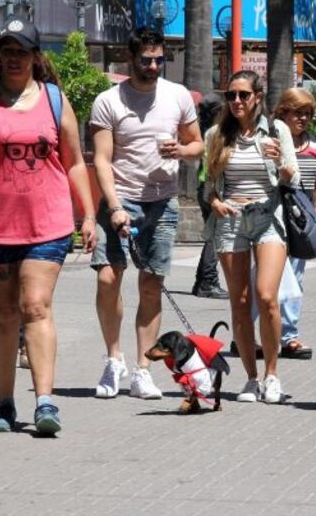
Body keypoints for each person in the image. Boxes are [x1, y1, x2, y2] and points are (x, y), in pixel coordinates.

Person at [0, 17, 97, 434]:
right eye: (8, 51)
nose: (14, 59)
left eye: (22, 51)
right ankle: (4, 402)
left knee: (36, 306)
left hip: (47, 224)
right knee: (3, 314)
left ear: (36, 57)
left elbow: (74, 162)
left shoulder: (54, 99)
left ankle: (45, 402)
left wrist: (88, 214)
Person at [90, 27, 203, 400]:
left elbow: (197, 144)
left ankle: (142, 369)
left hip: (162, 201)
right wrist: (115, 207)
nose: (153, 66)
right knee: (108, 278)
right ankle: (114, 359)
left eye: (158, 60)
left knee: (151, 286)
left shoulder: (177, 95)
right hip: (120, 198)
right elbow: (101, 159)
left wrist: (181, 151)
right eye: (146, 60)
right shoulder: (108, 101)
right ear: (130, 58)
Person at [202, 70, 298, 403]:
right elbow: (209, 185)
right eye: (231, 95)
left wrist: (279, 160)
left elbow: (292, 178)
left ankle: (272, 374)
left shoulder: (276, 129)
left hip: (268, 216)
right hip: (230, 220)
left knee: (267, 296)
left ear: (258, 96)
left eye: (243, 94)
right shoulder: (216, 135)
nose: (237, 101)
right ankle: (251, 378)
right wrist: (215, 202)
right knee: (240, 303)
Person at [271, 87, 316, 360]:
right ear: (283, 112)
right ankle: (253, 335)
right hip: (273, 217)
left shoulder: (314, 144)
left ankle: (289, 336)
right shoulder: (271, 139)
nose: (304, 119)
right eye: (298, 113)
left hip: (300, 222)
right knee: (265, 278)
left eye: (308, 114)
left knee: (295, 278)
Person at [190, 92, 229, 300]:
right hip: (211, 188)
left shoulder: (202, 130)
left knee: (212, 235)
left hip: (203, 187)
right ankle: (208, 282)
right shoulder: (216, 133)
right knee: (214, 236)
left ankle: (201, 281)